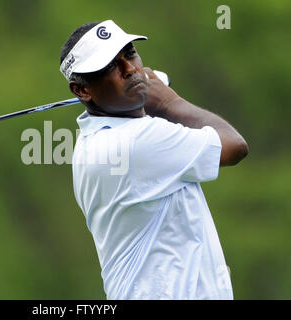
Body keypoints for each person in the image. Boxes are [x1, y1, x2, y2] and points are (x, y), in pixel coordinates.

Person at [59, 20, 248, 300]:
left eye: (130, 53)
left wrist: (145, 98)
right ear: (82, 90)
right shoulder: (136, 143)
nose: (130, 70)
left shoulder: (94, 141)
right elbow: (234, 146)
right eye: (110, 66)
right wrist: (169, 102)